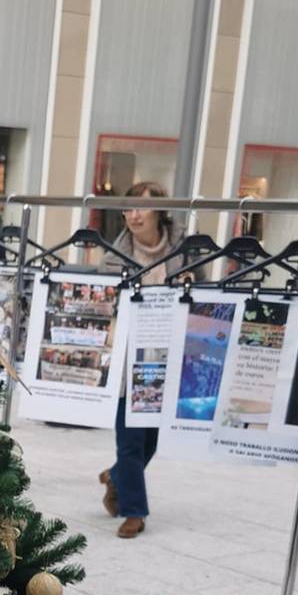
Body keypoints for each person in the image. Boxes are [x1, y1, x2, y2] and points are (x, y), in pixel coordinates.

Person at [100, 181, 187, 539]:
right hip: (129, 359)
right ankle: (133, 510)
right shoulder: (113, 256)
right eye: (128, 208)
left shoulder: (186, 251)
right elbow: (105, 304)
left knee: (151, 441)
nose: (133, 215)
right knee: (131, 439)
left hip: (168, 355)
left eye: (141, 208)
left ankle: (116, 476)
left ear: (160, 211)